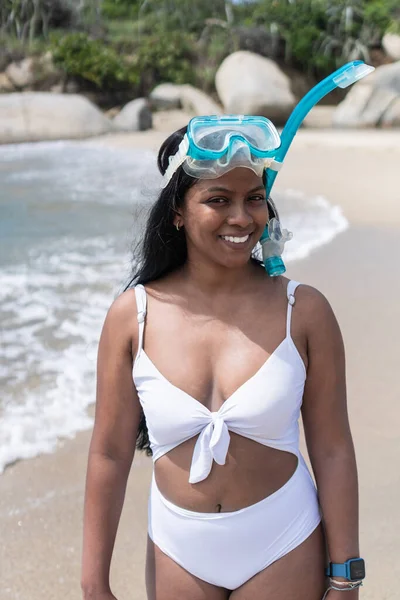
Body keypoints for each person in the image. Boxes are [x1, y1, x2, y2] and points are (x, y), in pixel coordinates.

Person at [81, 116, 364, 600]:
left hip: (284, 540)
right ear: (177, 212)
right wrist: (93, 586)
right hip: (178, 547)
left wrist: (346, 576)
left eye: (254, 198)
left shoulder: (304, 311)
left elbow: (333, 450)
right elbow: (109, 453)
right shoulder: (134, 317)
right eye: (218, 200)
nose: (241, 217)